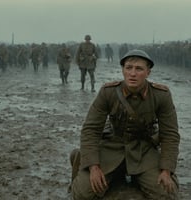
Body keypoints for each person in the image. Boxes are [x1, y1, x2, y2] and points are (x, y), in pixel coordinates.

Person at [70, 49, 180, 199]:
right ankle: (88, 162)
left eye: (139, 69)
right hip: (112, 147)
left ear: (148, 72)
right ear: (123, 70)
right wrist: (93, 166)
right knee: (82, 194)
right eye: (128, 68)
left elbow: (170, 135)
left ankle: (137, 175)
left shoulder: (161, 95)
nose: (133, 74)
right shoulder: (108, 92)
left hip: (143, 151)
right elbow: (91, 130)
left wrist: (166, 170)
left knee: (168, 194)